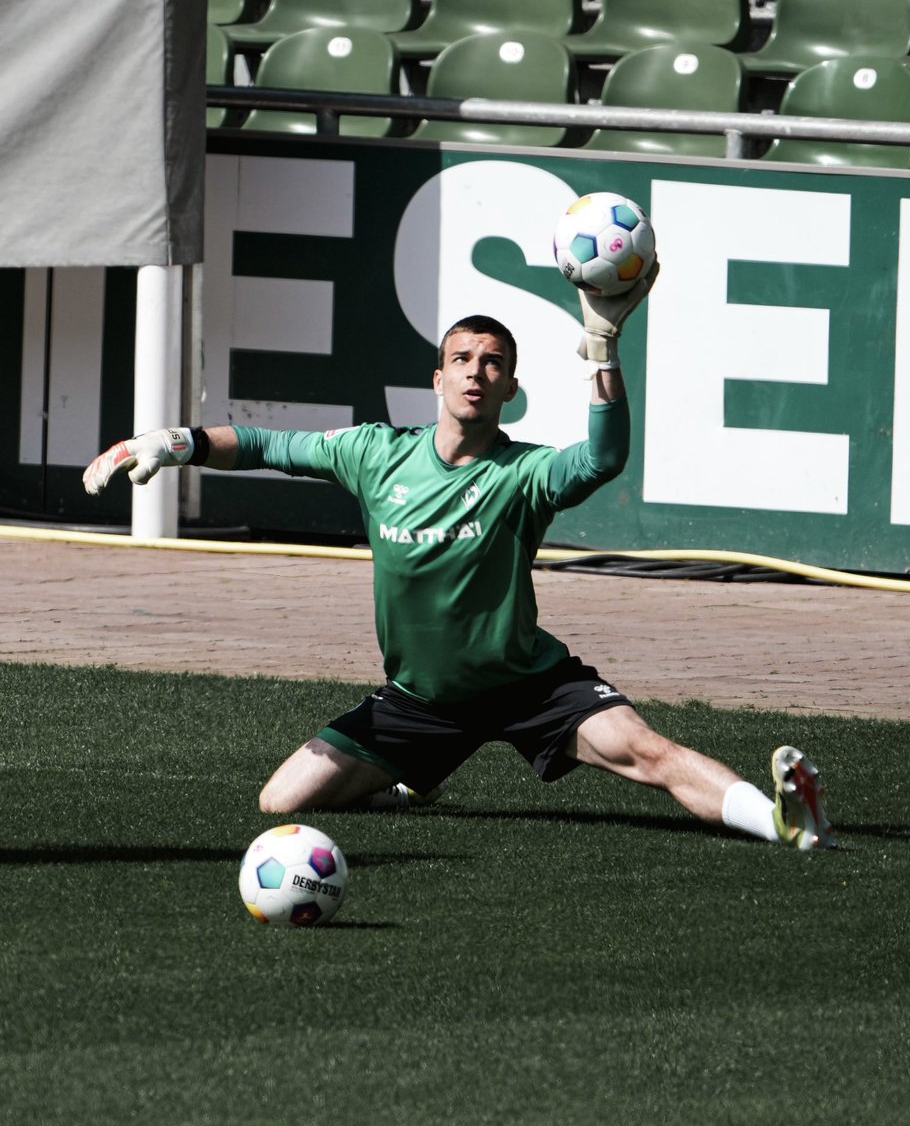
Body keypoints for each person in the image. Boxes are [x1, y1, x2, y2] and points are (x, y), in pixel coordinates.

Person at [83, 265, 835, 850]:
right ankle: (413, 780)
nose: (477, 370)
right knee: (279, 802)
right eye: (463, 359)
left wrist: (602, 348)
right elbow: (265, 444)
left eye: (494, 362)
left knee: (645, 751)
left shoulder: (524, 474)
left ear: (511, 387)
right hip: (419, 700)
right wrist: (170, 442)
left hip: (531, 687)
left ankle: (784, 821)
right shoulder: (374, 453)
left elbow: (605, 456)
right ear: (437, 379)